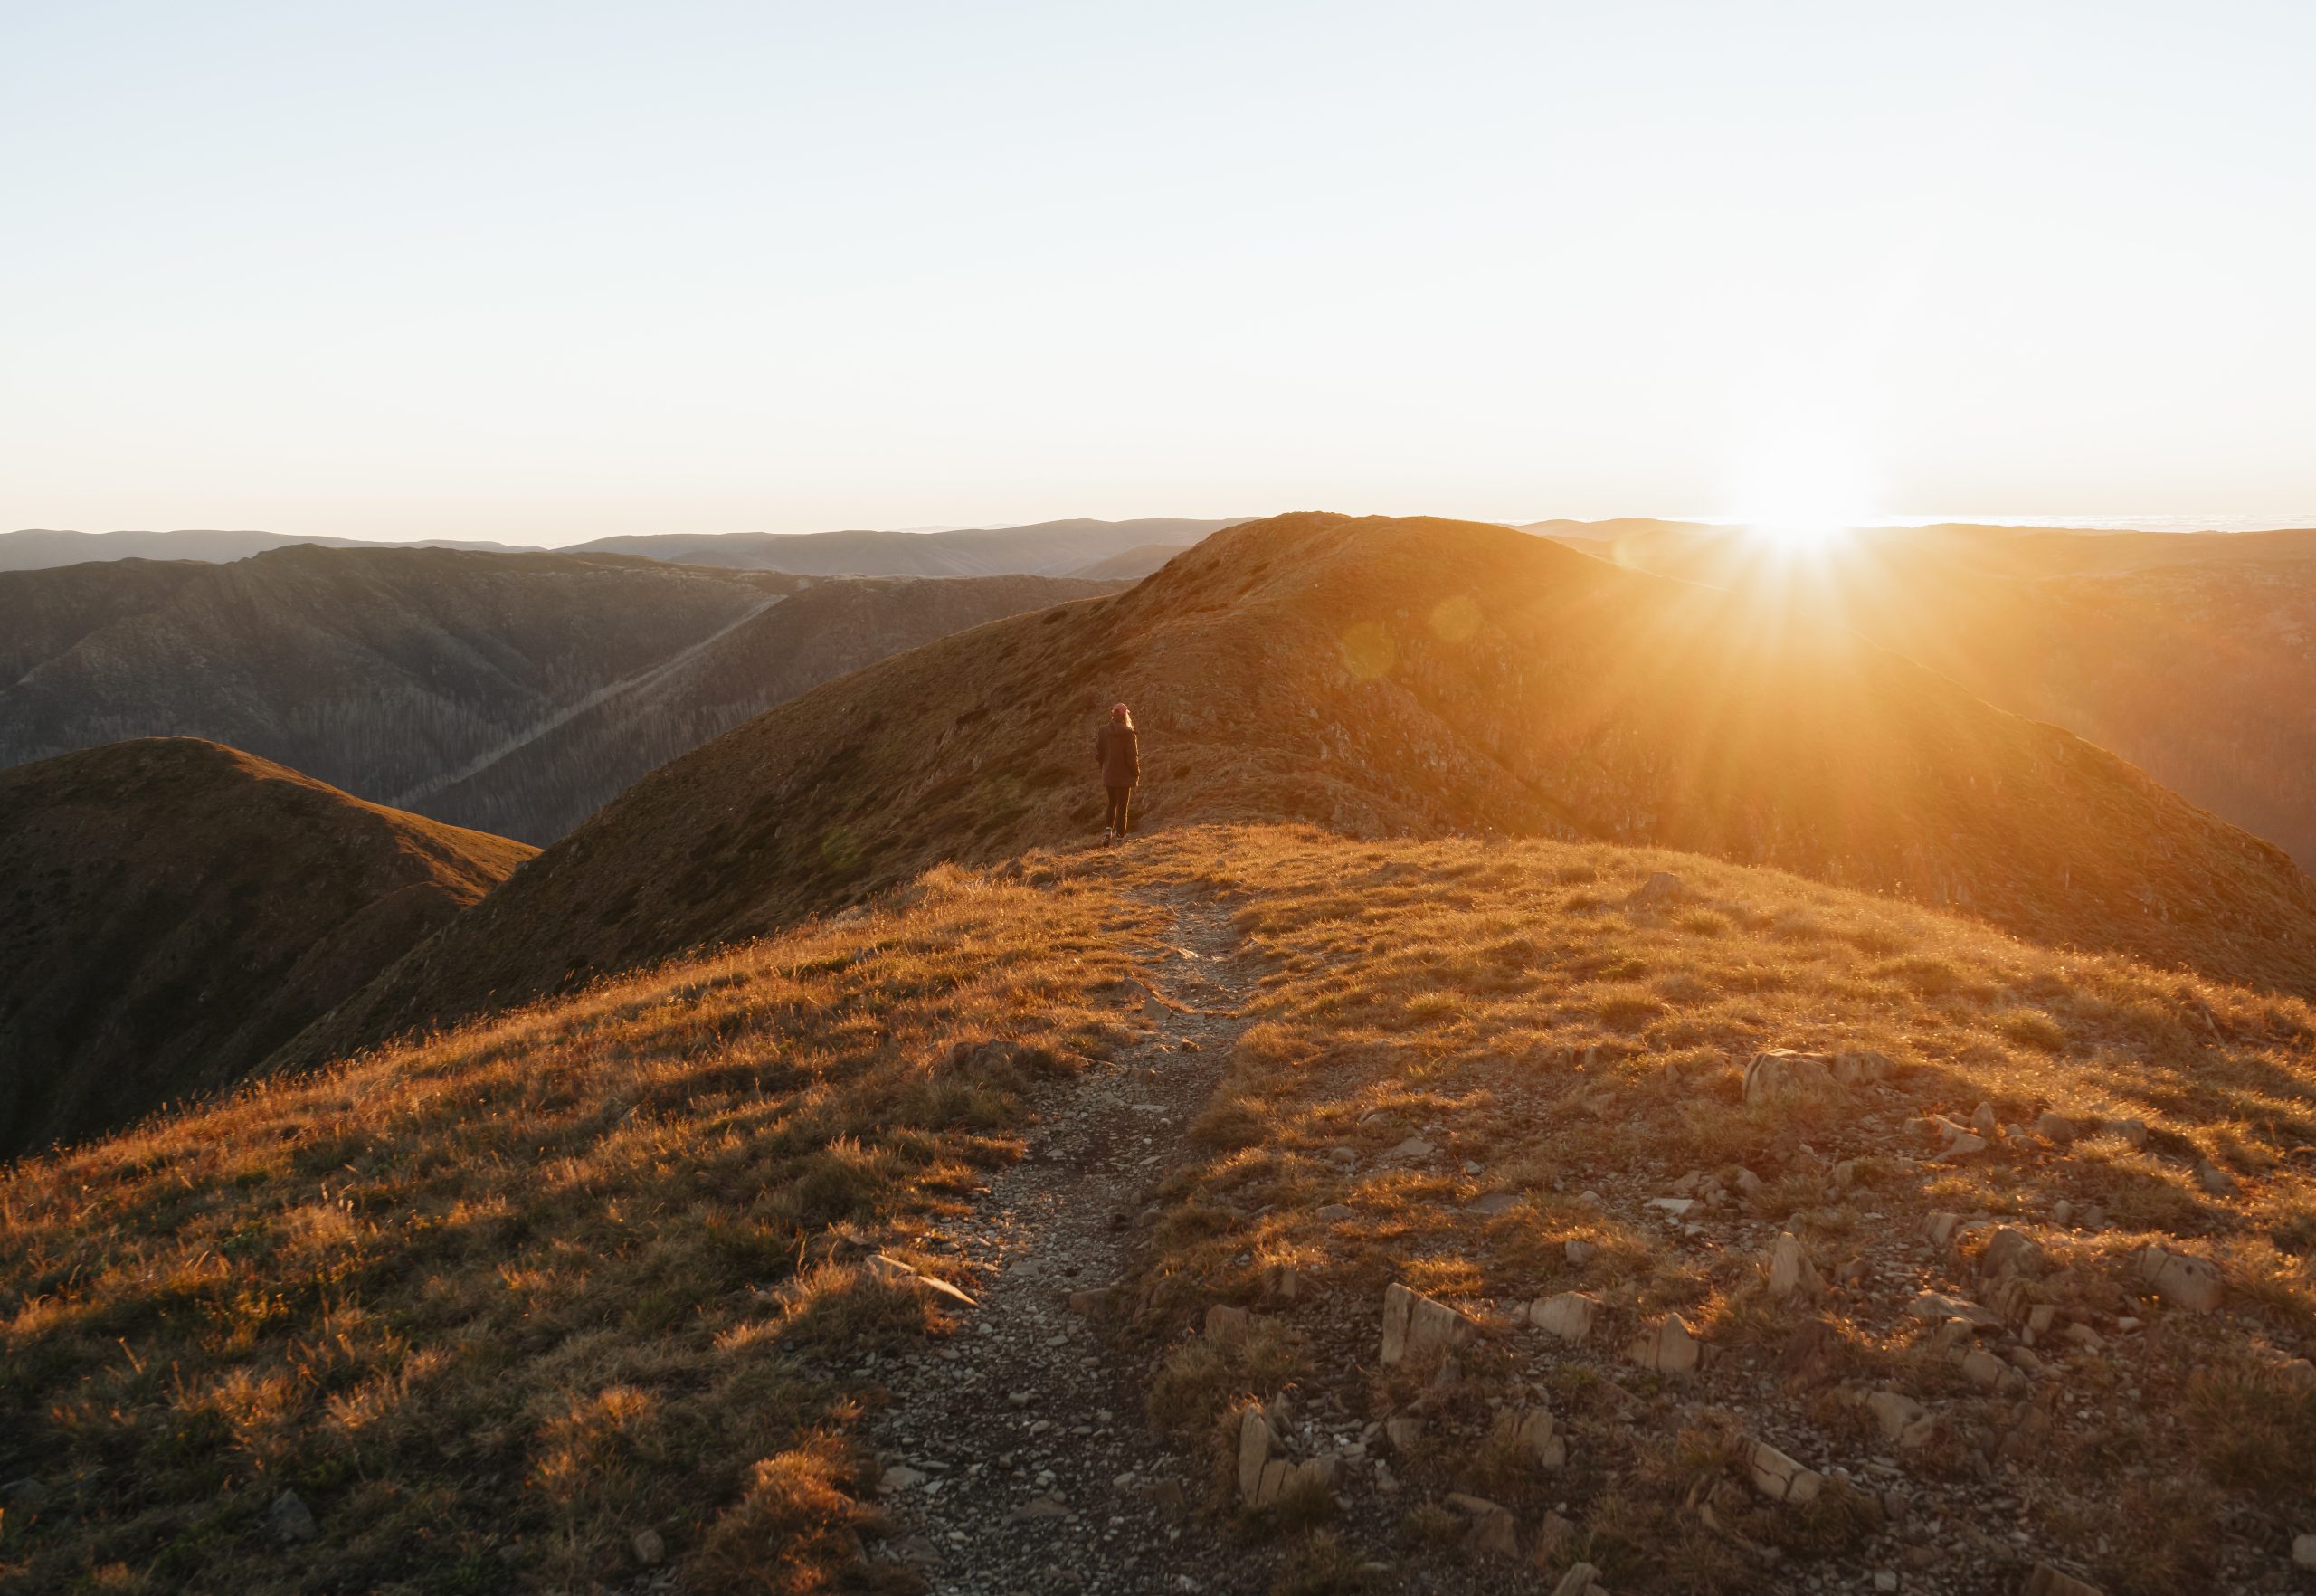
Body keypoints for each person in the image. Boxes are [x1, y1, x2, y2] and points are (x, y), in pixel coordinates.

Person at [1096, 702, 1139, 846]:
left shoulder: (1103, 731)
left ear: (1113, 714)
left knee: (1112, 803)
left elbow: (1099, 754)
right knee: (1122, 807)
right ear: (1125, 716)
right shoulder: (1129, 733)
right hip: (1125, 776)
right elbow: (1132, 756)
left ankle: (1107, 833)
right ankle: (1120, 838)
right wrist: (1136, 772)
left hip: (1109, 774)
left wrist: (1104, 769)